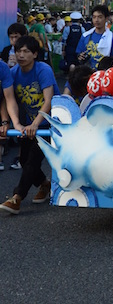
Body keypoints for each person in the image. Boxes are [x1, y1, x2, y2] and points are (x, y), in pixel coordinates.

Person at [0, 35, 60, 214]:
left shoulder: (43, 70)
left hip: (51, 123)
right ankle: (44, 184)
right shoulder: (13, 73)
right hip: (28, 125)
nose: (21, 55)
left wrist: (36, 124)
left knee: (32, 160)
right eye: (18, 51)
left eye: (26, 51)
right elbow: (8, 100)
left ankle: (16, 198)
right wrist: (12, 123)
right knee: (25, 160)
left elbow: (48, 100)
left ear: (35, 54)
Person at [76, 4, 113, 71]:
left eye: (100, 17)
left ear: (106, 19)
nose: (96, 20)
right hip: (87, 75)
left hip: (105, 75)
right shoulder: (85, 36)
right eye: (94, 17)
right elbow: (79, 53)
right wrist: (80, 56)